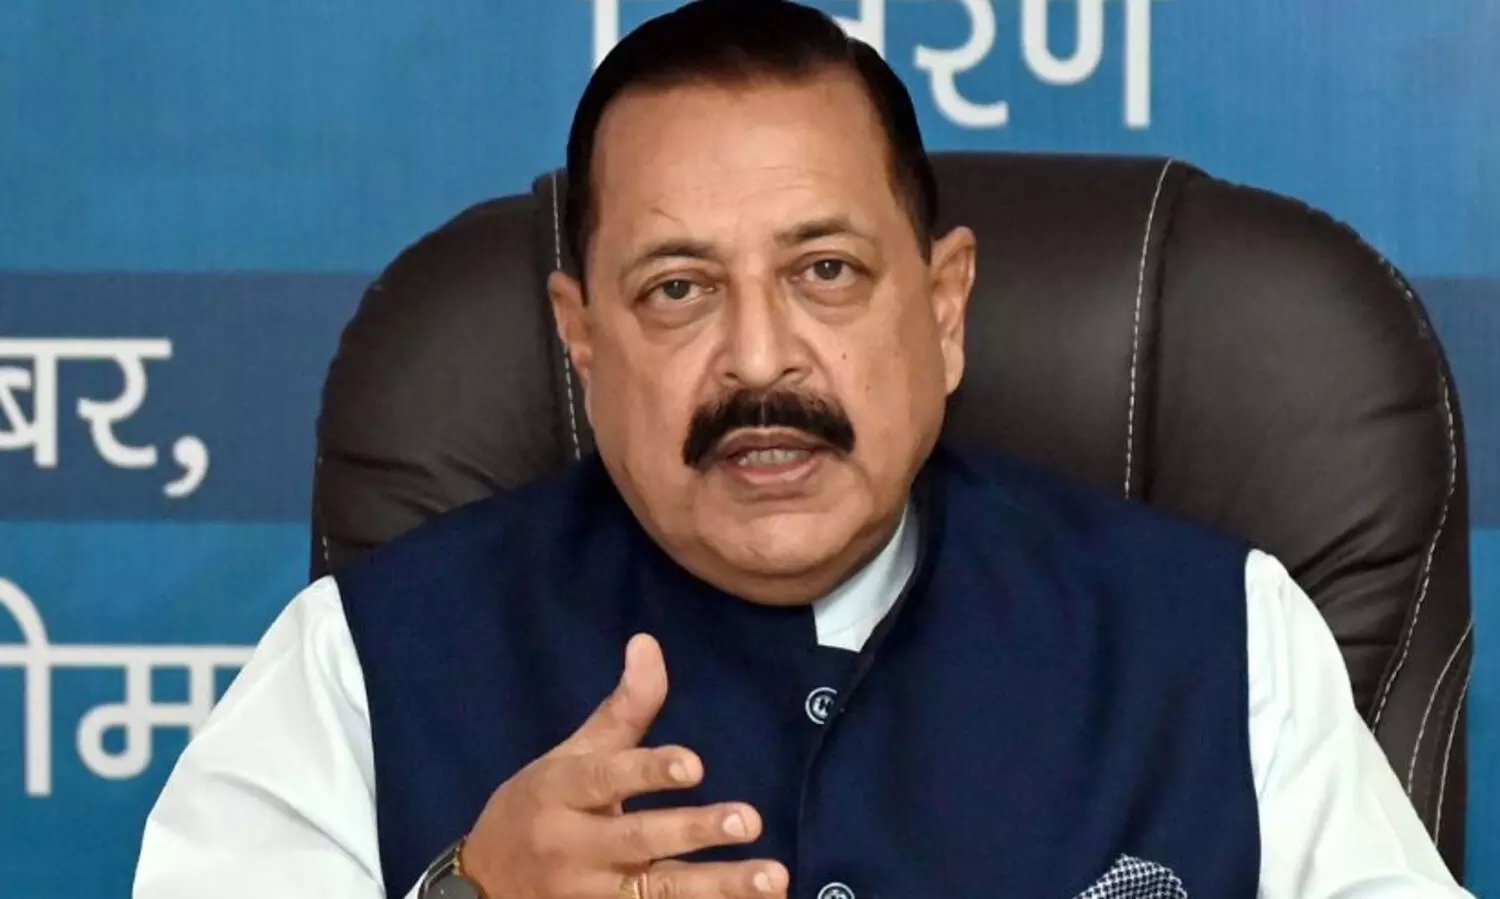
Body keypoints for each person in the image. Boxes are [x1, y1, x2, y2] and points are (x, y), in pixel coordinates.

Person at [133, 2, 1473, 898]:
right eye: (678, 289)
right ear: (582, 337)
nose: (760, 361)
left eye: (826, 271)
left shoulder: (1221, 637)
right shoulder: (364, 664)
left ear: (943, 310)